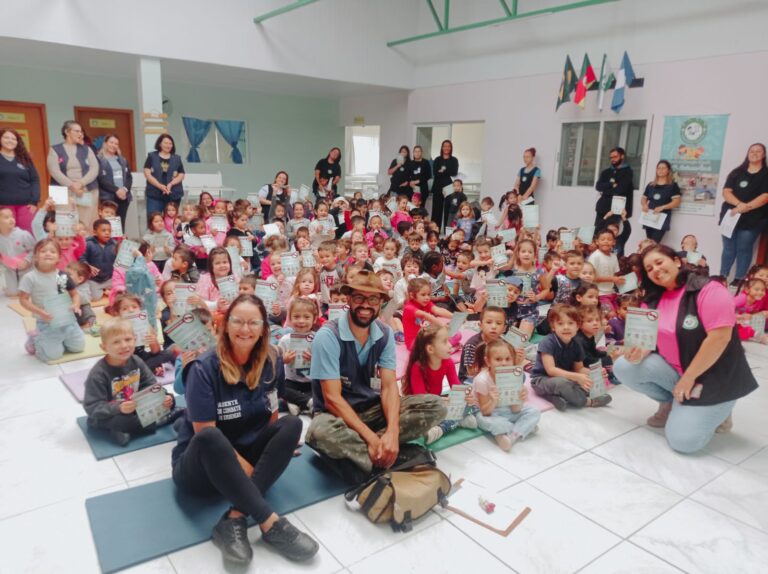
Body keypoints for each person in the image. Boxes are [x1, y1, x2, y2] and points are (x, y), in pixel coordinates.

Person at [171, 294, 319, 565]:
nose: (245, 329)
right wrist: (255, 472)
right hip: (201, 467)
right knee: (210, 437)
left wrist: (276, 449)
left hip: (244, 451)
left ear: (264, 327)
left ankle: (234, 518)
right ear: (225, 324)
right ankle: (269, 522)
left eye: (253, 322)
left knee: (292, 424)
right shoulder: (203, 368)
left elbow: (273, 409)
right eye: (238, 321)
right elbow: (204, 433)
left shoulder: (272, 359)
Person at [614, 245, 758, 453]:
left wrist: (689, 378)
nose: (655, 269)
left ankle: (721, 409)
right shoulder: (653, 298)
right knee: (625, 367)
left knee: (683, 442)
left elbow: (719, 338)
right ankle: (671, 403)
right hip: (679, 372)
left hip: (714, 379)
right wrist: (639, 350)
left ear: (677, 261)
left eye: (659, 262)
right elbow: (650, 339)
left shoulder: (709, 289)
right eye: (649, 268)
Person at [305, 270, 446, 478]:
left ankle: (365, 455)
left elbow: (389, 387)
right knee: (319, 432)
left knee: (437, 406)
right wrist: (371, 438)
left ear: (380, 302)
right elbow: (332, 399)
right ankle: (390, 455)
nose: (365, 305)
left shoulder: (385, 334)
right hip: (336, 416)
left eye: (372, 298)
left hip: (372, 409)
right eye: (359, 298)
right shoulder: (327, 336)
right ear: (349, 300)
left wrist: (392, 431)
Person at [83, 318, 177, 446]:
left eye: (128, 339)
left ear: (135, 339)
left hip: (134, 406)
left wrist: (162, 398)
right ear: (104, 347)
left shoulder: (136, 360)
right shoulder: (98, 374)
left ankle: (127, 431)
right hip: (111, 413)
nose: (124, 346)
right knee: (121, 421)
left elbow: (151, 385)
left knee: (170, 398)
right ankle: (163, 419)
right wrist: (119, 408)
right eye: (116, 342)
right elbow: (92, 407)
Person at [18, 238, 86, 362]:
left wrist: (76, 305)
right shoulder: (30, 277)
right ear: (35, 256)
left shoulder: (63, 275)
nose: (48, 253)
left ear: (59, 257)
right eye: (43, 251)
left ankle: (60, 340)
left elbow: (75, 294)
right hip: (46, 322)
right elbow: (23, 300)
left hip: (67, 319)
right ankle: (35, 339)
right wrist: (40, 312)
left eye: (52, 251)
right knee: (53, 355)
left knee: (78, 347)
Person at [718, 143, 768, 285]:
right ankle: (722, 276)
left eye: (759, 151)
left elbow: (765, 196)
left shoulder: (766, 174)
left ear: (763, 155)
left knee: (744, 248)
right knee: (728, 248)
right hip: (731, 216)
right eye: (752, 151)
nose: (755, 153)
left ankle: (739, 279)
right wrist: (739, 205)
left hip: (753, 219)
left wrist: (746, 207)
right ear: (747, 153)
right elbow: (726, 192)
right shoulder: (736, 172)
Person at [47, 120, 100, 227]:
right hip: (62, 191)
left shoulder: (87, 149)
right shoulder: (55, 149)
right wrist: (72, 185)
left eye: (81, 132)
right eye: (76, 131)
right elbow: (54, 171)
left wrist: (80, 183)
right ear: (67, 132)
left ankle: (84, 244)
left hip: (86, 189)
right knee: (64, 224)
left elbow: (95, 168)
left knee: (85, 223)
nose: (80, 134)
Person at [594, 147, 634, 254]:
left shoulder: (627, 172)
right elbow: (598, 186)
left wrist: (606, 191)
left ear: (622, 156)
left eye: (615, 157)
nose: (613, 159)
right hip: (602, 208)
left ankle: (610, 253)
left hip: (616, 208)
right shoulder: (606, 172)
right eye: (611, 157)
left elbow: (621, 189)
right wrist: (611, 184)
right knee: (597, 232)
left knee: (611, 233)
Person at [0, 127, 40, 233]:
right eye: (6, 137)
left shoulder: (25, 158)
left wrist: (34, 201)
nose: (10, 141)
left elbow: (35, 180)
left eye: (13, 139)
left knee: (28, 236)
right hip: (3, 206)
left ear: (18, 142)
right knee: (6, 236)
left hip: (26, 206)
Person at [143, 133, 186, 219]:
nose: (168, 145)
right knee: (154, 218)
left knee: (171, 220)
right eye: (165, 143)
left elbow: (181, 174)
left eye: (170, 143)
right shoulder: (152, 156)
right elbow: (147, 173)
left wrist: (171, 184)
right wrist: (159, 186)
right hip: (154, 194)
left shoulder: (177, 158)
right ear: (160, 144)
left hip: (173, 194)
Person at [97, 134, 133, 230]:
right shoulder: (99, 159)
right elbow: (101, 179)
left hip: (124, 197)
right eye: (111, 142)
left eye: (116, 143)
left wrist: (124, 189)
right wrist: (117, 190)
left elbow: (129, 177)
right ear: (105, 143)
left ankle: (119, 244)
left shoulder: (123, 160)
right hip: (108, 197)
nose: (113, 145)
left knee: (120, 225)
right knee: (108, 225)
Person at [640, 160, 681, 242]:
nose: (661, 170)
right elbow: (643, 198)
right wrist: (644, 205)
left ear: (668, 170)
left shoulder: (672, 185)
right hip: (649, 216)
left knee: (655, 242)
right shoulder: (651, 185)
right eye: (659, 168)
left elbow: (677, 202)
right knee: (649, 241)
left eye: (663, 168)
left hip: (662, 217)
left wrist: (663, 207)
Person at [430, 139, 459, 229]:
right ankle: (435, 231)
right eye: (445, 146)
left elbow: (454, 172)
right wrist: (446, 171)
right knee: (436, 210)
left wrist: (443, 170)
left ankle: (448, 231)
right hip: (438, 186)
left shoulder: (454, 160)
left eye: (448, 146)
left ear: (451, 148)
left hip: (449, 187)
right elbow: (435, 172)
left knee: (448, 209)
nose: (446, 148)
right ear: (442, 148)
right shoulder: (437, 159)